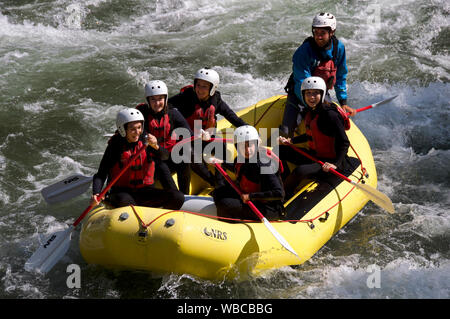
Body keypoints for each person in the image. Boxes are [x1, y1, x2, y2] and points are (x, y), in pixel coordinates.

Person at [280, 12, 356, 138]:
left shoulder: (339, 49)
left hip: (321, 93)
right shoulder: (303, 52)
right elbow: (301, 82)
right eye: (316, 32)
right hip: (300, 93)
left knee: (331, 124)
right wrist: (312, 104)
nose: (318, 37)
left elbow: (341, 76)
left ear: (332, 32)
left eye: (323, 33)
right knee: (286, 132)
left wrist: (343, 101)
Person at [91, 108, 185, 209]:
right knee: (126, 201)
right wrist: (96, 193)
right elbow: (101, 174)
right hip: (121, 192)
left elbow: (165, 156)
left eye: (139, 127)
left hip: (145, 191)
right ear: (123, 129)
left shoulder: (146, 140)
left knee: (178, 197)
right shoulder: (115, 146)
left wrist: (156, 146)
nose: (137, 132)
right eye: (132, 129)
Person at [168, 67, 248, 186]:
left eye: (204, 86)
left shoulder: (216, 100)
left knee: (221, 145)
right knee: (190, 153)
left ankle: (221, 182)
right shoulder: (186, 96)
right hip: (187, 140)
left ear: (212, 89)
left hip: (206, 138)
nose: (199, 89)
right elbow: (167, 105)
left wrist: (248, 130)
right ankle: (213, 182)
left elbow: (231, 116)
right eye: (198, 85)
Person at [278, 76, 352, 199]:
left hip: (329, 162)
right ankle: (281, 180)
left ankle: (283, 196)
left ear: (322, 94)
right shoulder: (311, 110)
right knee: (279, 150)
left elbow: (344, 142)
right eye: (308, 93)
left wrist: (335, 164)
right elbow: (312, 134)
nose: (311, 97)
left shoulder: (330, 115)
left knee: (300, 171)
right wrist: (291, 141)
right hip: (315, 156)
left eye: (316, 93)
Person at [210, 125, 285, 221]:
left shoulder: (264, 164)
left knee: (225, 204)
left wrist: (250, 196)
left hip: (269, 208)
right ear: (237, 147)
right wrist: (221, 163)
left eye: (250, 145)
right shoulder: (242, 159)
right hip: (252, 199)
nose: (247, 150)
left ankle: (229, 225)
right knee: (218, 192)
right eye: (242, 146)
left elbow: (279, 193)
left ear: (256, 144)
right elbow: (240, 170)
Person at [136, 80, 193, 194]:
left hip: (168, 155)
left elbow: (188, 132)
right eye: (153, 99)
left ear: (165, 99)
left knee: (185, 156)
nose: (157, 103)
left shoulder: (173, 113)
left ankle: (185, 194)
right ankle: (175, 196)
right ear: (148, 100)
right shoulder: (141, 115)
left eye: (160, 99)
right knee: (160, 165)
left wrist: (201, 135)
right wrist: (146, 137)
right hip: (152, 160)